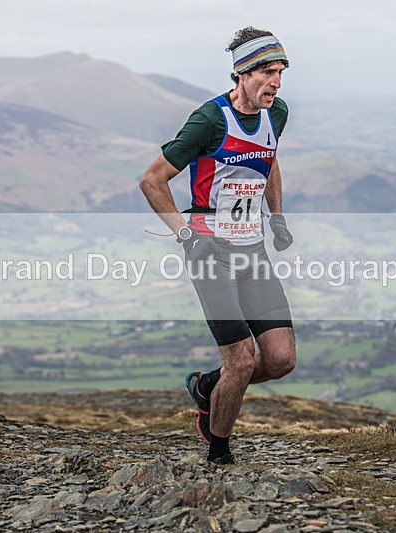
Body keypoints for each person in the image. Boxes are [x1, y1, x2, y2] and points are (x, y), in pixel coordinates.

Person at [139, 27, 296, 464]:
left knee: (280, 359)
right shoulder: (208, 120)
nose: (276, 82)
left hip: (253, 250)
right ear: (241, 73)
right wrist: (186, 236)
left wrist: (277, 216)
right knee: (242, 361)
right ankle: (219, 453)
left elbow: (270, 160)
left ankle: (208, 386)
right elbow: (152, 181)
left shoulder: (276, 114)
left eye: (281, 72)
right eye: (267, 71)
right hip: (211, 253)